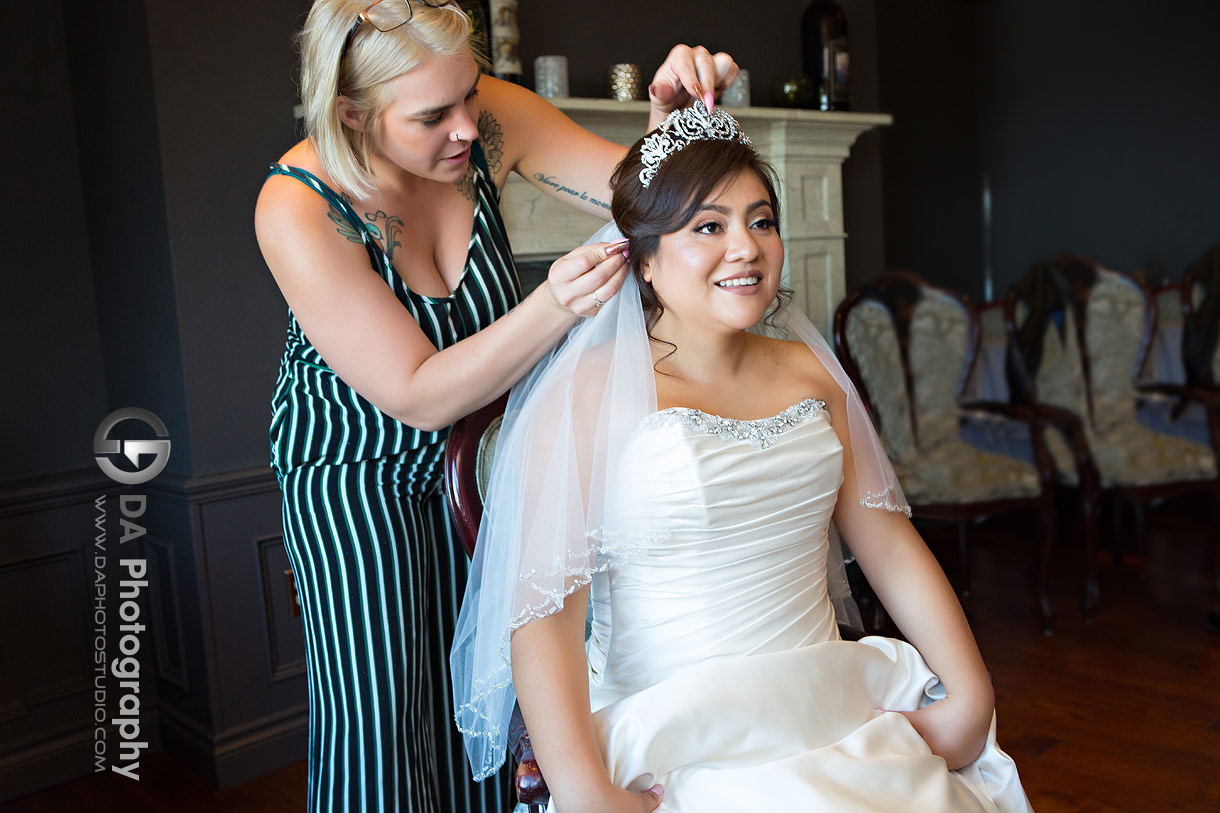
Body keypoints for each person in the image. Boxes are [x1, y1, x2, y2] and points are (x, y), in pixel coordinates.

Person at [451, 102, 1032, 811]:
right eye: (708, 227)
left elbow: (889, 541)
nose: (747, 248)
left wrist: (972, 692)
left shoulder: (811, 375)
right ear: (645, 259)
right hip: (678, 728)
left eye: (761, 220)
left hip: (834, 702)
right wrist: (582, 790)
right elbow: (544, 618)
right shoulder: (587, 398)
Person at [254, 0, 739, 809]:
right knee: (381, 719)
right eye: (433, 116)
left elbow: (642, 195)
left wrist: (666, 123)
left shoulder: (492, 122)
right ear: (351, 114)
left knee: (488, 702)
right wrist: (554, 306)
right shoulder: (298, 206)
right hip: (354, 470)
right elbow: (415, 393)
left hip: (484, 461)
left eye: (471, 96)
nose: (468, 129)